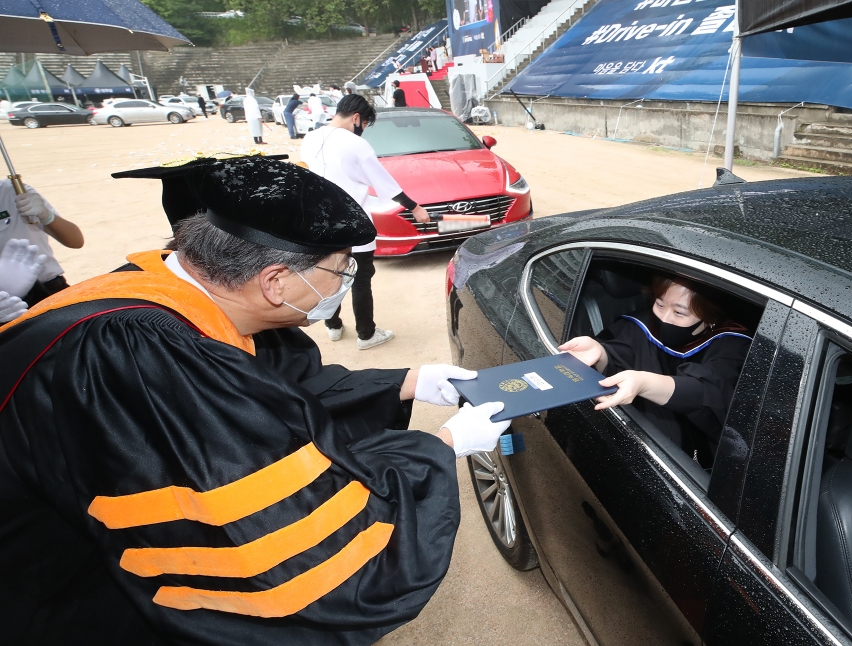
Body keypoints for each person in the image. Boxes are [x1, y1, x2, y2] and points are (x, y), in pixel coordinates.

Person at [0, 155, 511, 645]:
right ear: (275, 281)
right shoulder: (138, 356)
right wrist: (440, 447)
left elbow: (269, 399)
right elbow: (272, 533)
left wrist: (410, 380)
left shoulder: (178, 293)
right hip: (60, 592)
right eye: (341, 271)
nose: (345, 285)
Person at [560, 274, 752, 466]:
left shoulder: (733, 345)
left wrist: (644, 383)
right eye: (660, 305)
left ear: (709, 317)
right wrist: (600, 352)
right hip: (640, 438)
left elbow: (711, 390)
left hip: (694, 460)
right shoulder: (640, 324)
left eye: (679, 312)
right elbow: (618, 355)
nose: (664, 318)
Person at [300, 95, 430, 350]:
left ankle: (333, 327)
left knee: (328, 275)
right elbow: (385, 183)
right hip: (353, 223)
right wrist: (414, 207)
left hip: (319, 225)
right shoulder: (355, 144)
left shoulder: (310, 138)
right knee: (360, 279)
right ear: (357, 118)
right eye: (365, 125)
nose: (362, 131)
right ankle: (366, 334)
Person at [0, 179, 84, 306]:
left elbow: (75, 241)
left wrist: (47, 216)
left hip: (50, 291)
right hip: (5, 304)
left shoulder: (14, 192)